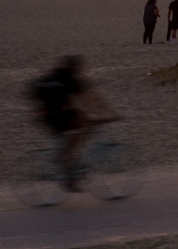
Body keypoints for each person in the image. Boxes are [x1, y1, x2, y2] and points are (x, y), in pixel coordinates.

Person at [33, 55, 118, 189]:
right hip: (57, 114)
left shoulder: (55, 75)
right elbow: (92, 98)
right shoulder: (71, 80)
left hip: (44, 114)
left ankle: (68, 166)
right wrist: (110, 114)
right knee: (81, 129)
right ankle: (67, 169)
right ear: (76, 68)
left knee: (78, 128)